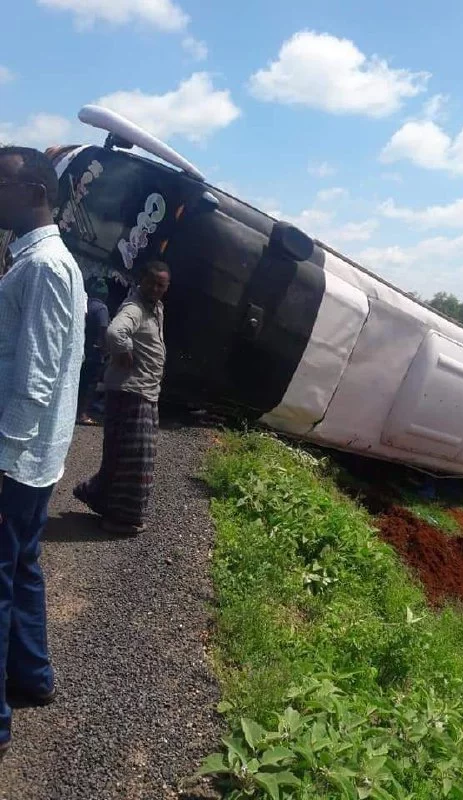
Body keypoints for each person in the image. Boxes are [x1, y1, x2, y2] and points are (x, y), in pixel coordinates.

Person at [0, 146, 86, 755]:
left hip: (17, 460)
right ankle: (32, 677)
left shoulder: (45, 267)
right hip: (32, 457)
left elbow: (35, 380)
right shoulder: (36, 261)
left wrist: (2, 460)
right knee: (22, 566)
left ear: (34, 193)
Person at [73, 261, 170, 536]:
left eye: (161, 285)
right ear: (142, 281)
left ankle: (100, 499)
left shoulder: (156, 309)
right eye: (151, 282)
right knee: (135, 461)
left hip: (144, 391)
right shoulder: (134, 308)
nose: (155, 288)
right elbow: (115, 332)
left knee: (123, 456)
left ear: (166, 287)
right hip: (131, 393)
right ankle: (120, 519)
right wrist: (124, 349)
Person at [77, 276, 110, 425]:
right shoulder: (101, 308)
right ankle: (83, 414)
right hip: (95, 352)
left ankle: (76, 411)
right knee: (91, 384)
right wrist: (104, 348)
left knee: (81, 382)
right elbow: (103, 328)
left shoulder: (85, 305)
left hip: (82, 348)